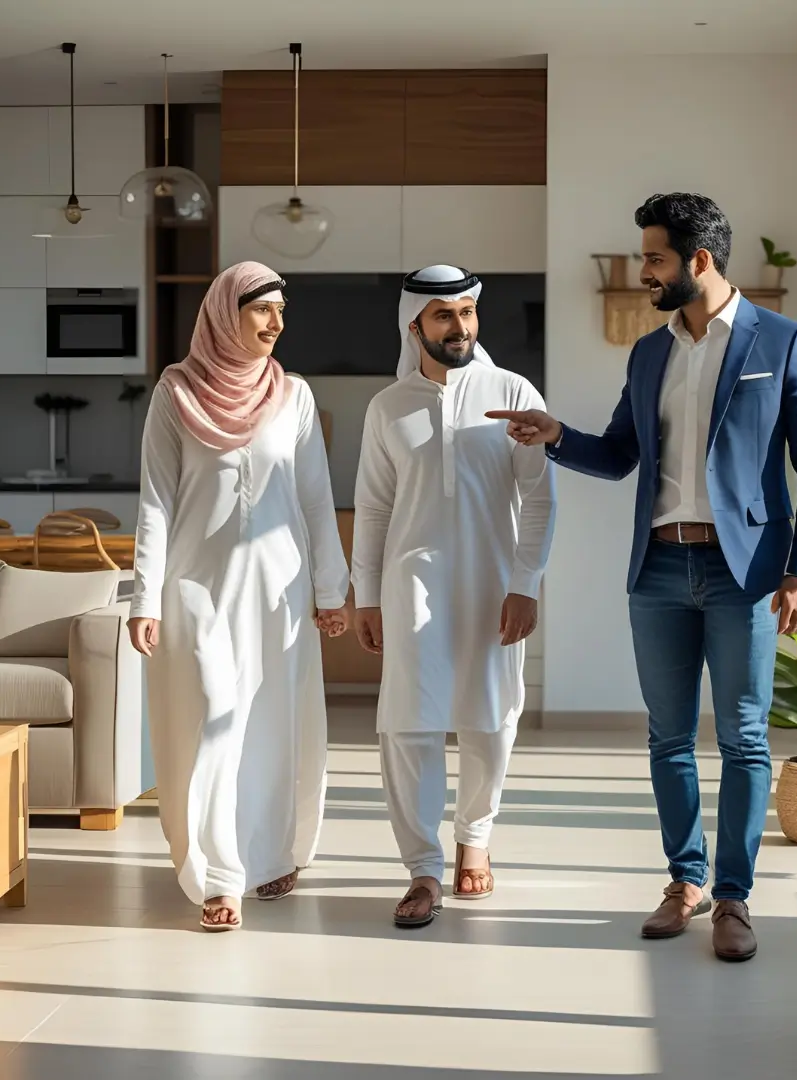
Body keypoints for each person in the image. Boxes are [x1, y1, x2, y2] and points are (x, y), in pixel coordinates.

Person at [489, 194, 797, 962]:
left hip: (743, 573)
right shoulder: (650, 351)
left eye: (654, 258)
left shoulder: (784, 343)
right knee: (668, 737)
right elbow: (619, 454)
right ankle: (684, 882)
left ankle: (734, 897)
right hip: (658, 568)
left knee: (745, 739)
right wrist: (555, 437)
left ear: (699, 262)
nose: (643, 270)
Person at [128, 261, 351, 932]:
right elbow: (156, 501)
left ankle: (274, 850)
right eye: (262, 310)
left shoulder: (296, 397)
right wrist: (144, 597)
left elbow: (315, 498)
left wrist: (331, 587)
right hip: (197, 588)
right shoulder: (175, 393)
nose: (276, 323)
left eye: (282, 311)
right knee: (215, 719)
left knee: (272, 724)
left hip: (279, 592)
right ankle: (220, 874)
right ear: (227, 312)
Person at [351, 265, 556, 929]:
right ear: (416, 325)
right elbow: (375, 507)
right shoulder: (389, 407)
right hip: (410, 583)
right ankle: (422, 868)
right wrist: (366, 594)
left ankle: (476, 837)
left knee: (489, 717)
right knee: (408, 724)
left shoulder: (512, 391)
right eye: (445, 315)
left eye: (468, 312)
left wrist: (526, 584)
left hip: (494, 584)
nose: (461, 326)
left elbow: (539, 497)